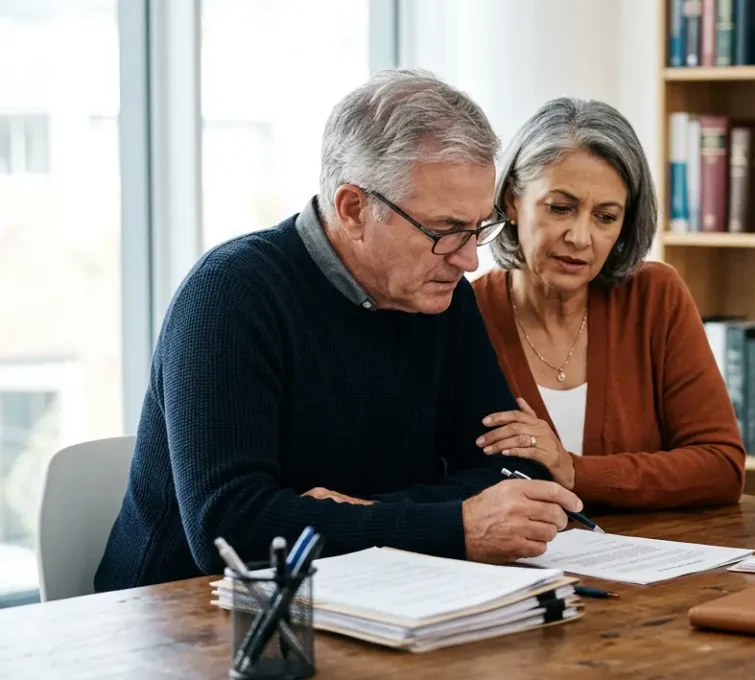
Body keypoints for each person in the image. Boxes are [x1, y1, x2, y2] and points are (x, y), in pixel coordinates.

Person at [95, 69, 583, 592]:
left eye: (478, 227)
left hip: (374, 595)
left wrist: (370, 514)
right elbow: (231, 529)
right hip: (185, 619)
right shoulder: (230, 294)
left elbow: (517, 473)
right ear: (354, 209)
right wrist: (453, 524)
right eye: (444, 231)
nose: (468, 259)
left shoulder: (441, 294)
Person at [470, 97, 746, 510]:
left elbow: (722, 467)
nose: (581, 238)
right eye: (560, 208)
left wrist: (575, 472)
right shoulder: (464, 314)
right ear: (512, 199)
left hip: (652, 566)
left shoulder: (656, 297)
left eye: (606, 217)